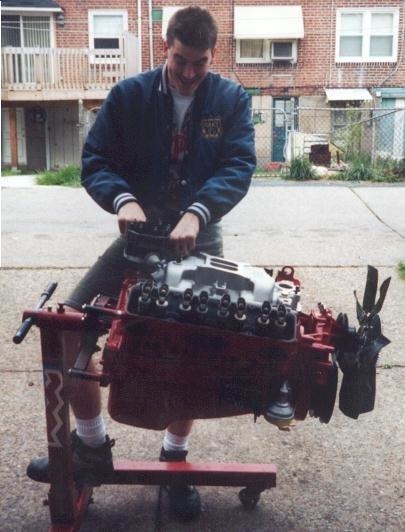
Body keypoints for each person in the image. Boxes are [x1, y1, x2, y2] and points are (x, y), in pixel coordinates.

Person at [27, 6, 256, 521]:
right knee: (68, 332)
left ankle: (174, 461)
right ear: (164, 46)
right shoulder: (128, 96)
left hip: (198, 235)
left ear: (212, 55)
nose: (190, 73)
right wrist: (122, 200)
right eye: (180, 60)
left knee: (194, 350)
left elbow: (239, 164)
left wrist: (199, 212)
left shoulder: (231, 98)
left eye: (199, 63)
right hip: (137, 236)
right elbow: (96, 160)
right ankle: (90, 449)